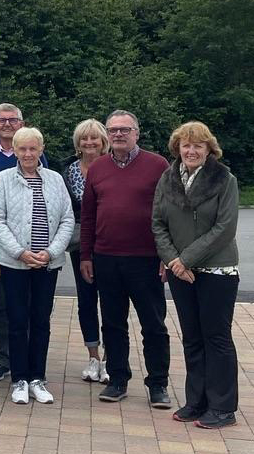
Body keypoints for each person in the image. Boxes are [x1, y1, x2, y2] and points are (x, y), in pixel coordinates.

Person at [80, 110, 171, 408]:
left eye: (124, 129)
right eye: (113, 130)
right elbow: (89, 216)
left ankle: (158, 384)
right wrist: (86, 255)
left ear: (137, 133)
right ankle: (118, 379)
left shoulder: (158, 165)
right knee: (113, 324)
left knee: (153, 325)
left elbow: (168, 214)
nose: (118, 134)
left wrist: (166, 255)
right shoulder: (98, 168)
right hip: (106, 258)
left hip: (146, 259)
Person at [153, 122, 240, 429]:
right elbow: (158, 223)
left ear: (209, 149)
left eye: (198, 146)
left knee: (216, 337)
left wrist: (184, 260)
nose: (190, 151)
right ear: (178, 148)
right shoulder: (168, 178)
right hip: (180, 270)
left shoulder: (224, 179)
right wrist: (174, 260)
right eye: (185, 145)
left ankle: (223, 407)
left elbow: (224, 228)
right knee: (192, 337)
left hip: (217, 270)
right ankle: (197, 401)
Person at [0, 127, 74, 405]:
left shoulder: (55, 179)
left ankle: (38, 378)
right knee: (16, 320)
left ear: (41, 149)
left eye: (32, 148)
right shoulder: (3, 179)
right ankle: (19, 380)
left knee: (41, 321)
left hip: (47, 264)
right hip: (14, 263)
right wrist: (20, 252)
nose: (27, 154)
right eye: (22, 148)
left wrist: (50, 252)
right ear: (15, 149)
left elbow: (67, 220)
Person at [0, 103, 50, 382]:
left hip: (37, 250)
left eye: (12, 120)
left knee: (34, 308)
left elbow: (48, 207)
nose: (7, 124)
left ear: (21, 123)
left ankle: (31, 362)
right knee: (3, 306)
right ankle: (4, 359)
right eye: (1, 120)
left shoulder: (40, 159)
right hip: (2, 249)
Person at [61, 119, 111, 384]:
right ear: (77, 143)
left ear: (104, 141)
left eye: (94, 138)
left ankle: (112, 359)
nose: (89, 143)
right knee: (87, 301)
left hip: (113, 244)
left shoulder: (114, 166)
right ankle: (94, 356)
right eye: (84, 138)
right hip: (82, 246)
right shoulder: (69, 171)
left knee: (113, 302)